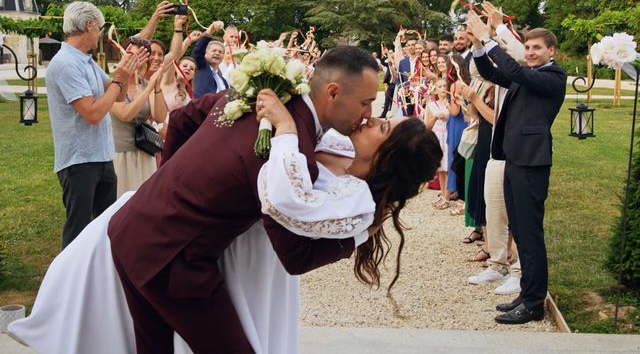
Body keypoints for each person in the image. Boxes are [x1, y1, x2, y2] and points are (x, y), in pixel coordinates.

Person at [9, 91, 441, 354]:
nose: (369, 117)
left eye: (382, 125)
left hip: (245, 269)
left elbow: (288, 232)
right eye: (375, 111)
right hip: (197, 250)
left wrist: (287, 131)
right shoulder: (324, 139)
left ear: (388, 156)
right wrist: (176, 187)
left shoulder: (351, 196)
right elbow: (186, 119)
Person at [108, 46, 383, 352]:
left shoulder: (254, 94)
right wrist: (359, 234)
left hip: (131, 227)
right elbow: (294, 255)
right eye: (365, 102)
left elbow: (183, 119)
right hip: (172, 256)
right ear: (332, 92)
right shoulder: (290, 150)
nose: (368, 113)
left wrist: (167, 183)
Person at [467, 10, 566, 325]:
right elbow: (490, 72)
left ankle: (535, 303)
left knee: (530, 233)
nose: (531, 52)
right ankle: (527, 292)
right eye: (529, 48)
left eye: (538, 48)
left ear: (551, 51)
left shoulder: (552, 76)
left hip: (532, 162)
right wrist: (480, 49)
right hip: (513, 159)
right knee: (520, 231)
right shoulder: (525, 74)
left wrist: (488, 36)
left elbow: (517, 73)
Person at [45, 1, 147, 249]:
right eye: (99, 28)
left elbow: (117, 95)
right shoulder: (66, 64)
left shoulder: (86, 61)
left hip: (101, 156)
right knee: (78, 232)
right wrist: (119, 80)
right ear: (89, 26)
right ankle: (68, 284)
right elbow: (93, 113)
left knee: (104, 227)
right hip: (79, 161)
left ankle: (96, 280)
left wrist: (125, 74)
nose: (100, 34)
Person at [110, 37, 167, 197]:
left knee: (144, 201)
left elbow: (160, 116)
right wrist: (149, 88)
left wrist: (156, 87)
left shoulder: (143, 83)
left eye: (142, 56)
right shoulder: (113, 82)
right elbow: (125, 114)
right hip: (122, 154)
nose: (137, 60)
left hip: (145, 151)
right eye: (132, 55)